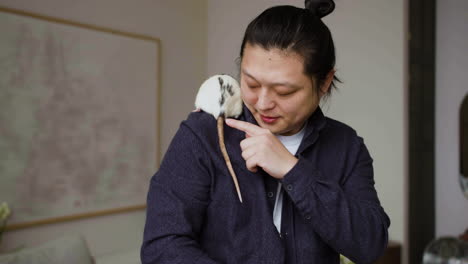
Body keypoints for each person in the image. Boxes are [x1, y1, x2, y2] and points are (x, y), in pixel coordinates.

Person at [141, 1, 390, 263]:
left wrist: (293, 170)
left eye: (284, 92)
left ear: (325, 82)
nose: (262, 103)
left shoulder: (346, 146)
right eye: (251, 83)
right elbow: (162, 246)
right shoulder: (204, 134)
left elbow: (370, 244)